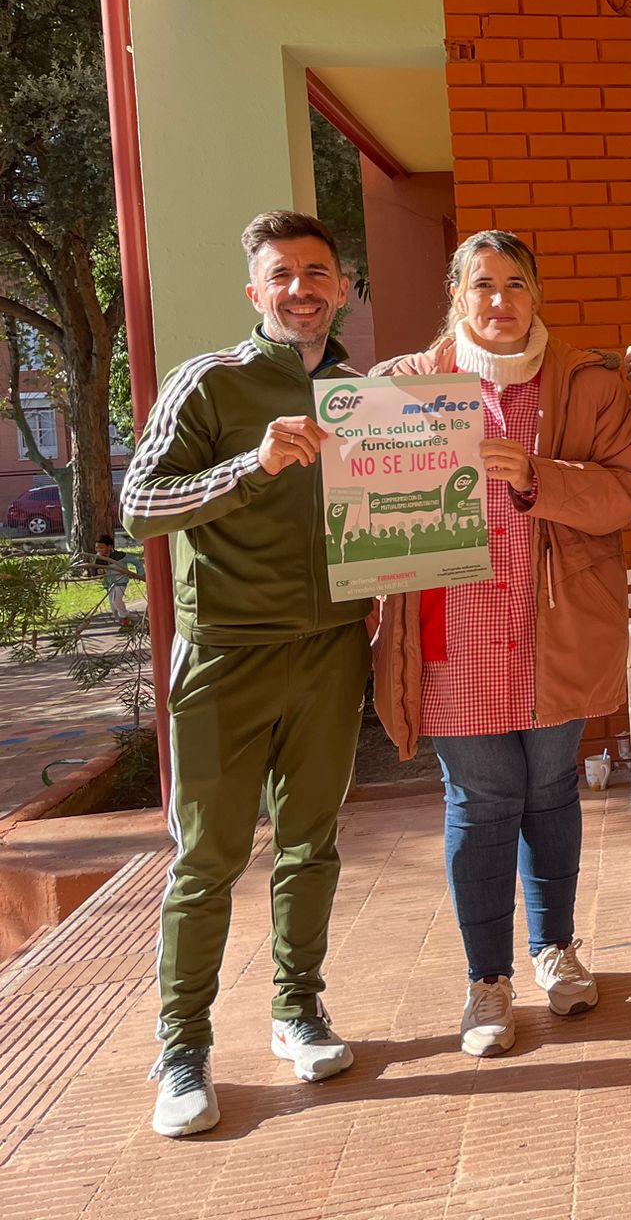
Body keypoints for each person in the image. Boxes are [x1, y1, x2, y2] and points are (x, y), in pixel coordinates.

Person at [121, 211, 372, 1138]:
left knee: (311, 842)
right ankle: (181, 1049)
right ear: (254, 290)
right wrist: (252, 464)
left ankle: (296, 1009)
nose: (301, 289)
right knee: (209, 859)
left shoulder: (363, 391)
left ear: (341, 286)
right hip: (226, 651)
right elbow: (140, 505)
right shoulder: (209, 383)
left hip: (332, 647)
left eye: (317, 272)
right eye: (282, 275)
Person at [369, 231, 631, 1056]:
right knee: (484, 799)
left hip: (555, 627)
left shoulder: (588, 383)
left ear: (537, 298)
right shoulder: (403, 389)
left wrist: (536, 474)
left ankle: (555, 950)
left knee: (552, 790)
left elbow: (626, 493)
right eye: (481, 285)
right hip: (450, 634)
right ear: (456, 298)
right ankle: (486, 981)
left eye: (515, 284)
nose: (499, 301)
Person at [93, 533, 141, 626]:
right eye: (97, 548)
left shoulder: (120, 556)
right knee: (113, 604)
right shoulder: (98, 557)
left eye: (101, 548)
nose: (98, 550)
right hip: (108, 582)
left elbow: (136, 562)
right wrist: (99, 571)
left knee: (116, 600)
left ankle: (125, 617)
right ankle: (126, 621)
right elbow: (96, 570)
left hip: (120, 580)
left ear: (109, 547)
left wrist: (140, 574)